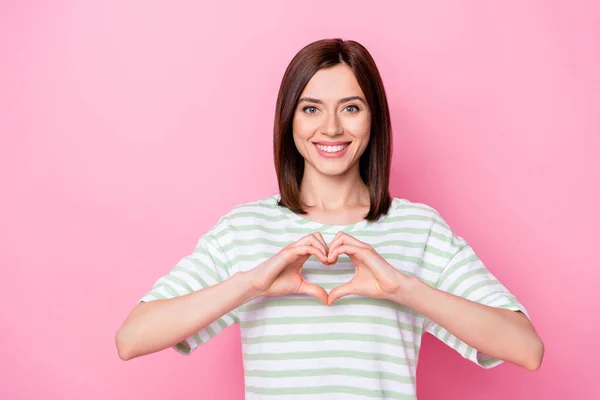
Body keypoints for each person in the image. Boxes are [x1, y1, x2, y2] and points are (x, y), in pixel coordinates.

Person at [115, 38, 544, 399]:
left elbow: (526, 347)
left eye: (351, 108)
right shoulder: (244, 230)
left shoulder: (419, 229)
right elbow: (132, 338)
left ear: (374, 118)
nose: (333, 128)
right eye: (312, 108)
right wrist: (250, 284)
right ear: (289, 119)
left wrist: (404, 289)